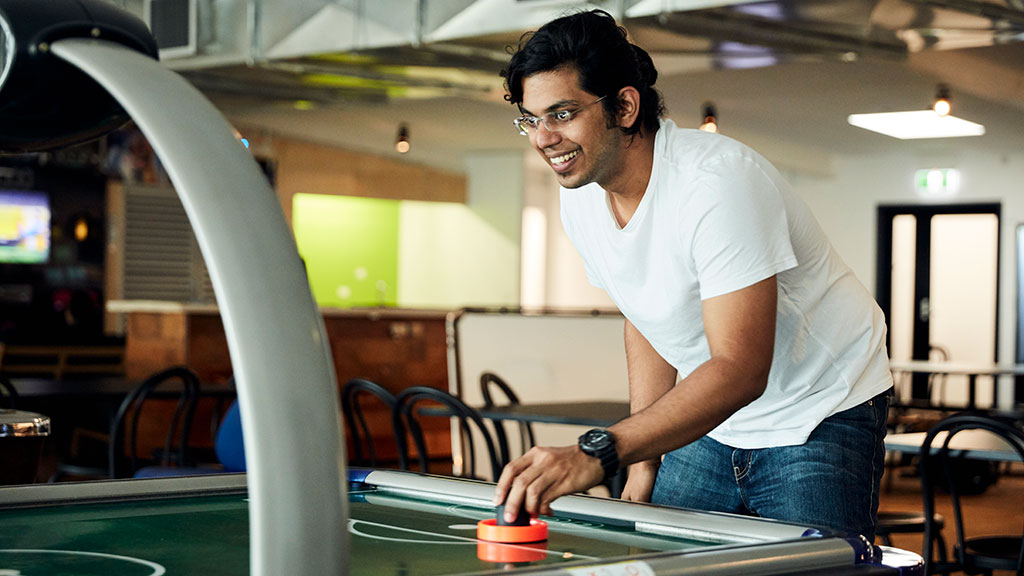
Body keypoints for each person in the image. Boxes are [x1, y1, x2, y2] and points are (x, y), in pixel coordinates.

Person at [492, 9, 894, 540]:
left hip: (817, 408)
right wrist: (642, 460)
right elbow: (647, 319)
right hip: (712, 416)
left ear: (625, 106)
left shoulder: (717, 184)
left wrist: (603, 452)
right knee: (671, 561)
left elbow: (741, 368)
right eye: (531, 119)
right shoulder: (583, 202)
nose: (543, 138)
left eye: (561, 113)